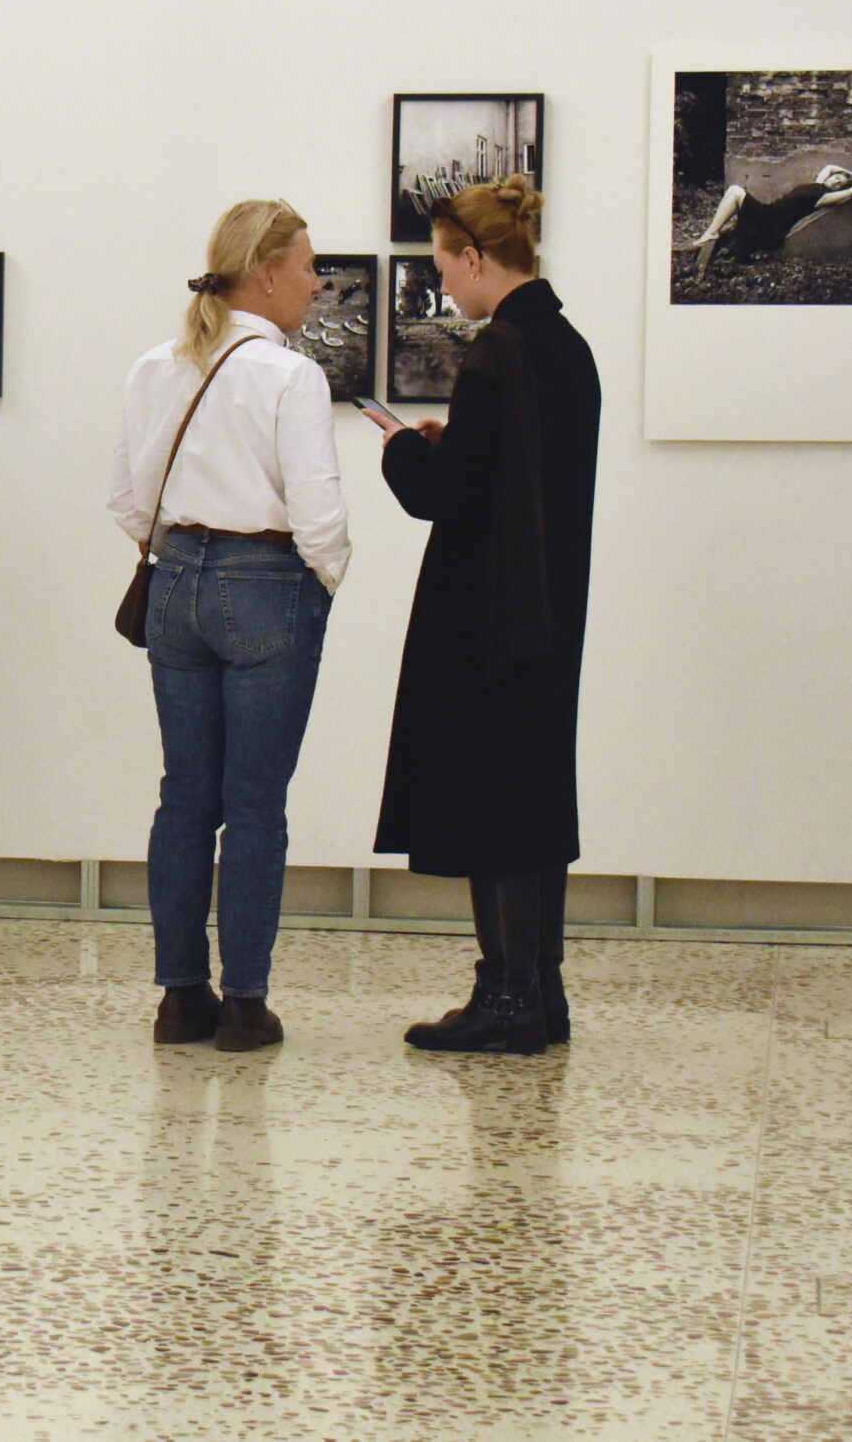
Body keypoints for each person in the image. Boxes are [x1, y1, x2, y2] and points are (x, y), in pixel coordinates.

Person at [104, 200, 349, 1053]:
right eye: (308, 266)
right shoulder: (291, 377)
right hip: (266, 583)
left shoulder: (155, 367)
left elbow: (127, 500)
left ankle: (180, 998)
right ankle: (244, 1004)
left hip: (174, 581)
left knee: (184, 795)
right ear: (267, 273)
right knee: (253, 803)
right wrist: (322, 581)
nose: (317, 284)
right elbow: (320, 518)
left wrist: (182, 552)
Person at [376, 177, 600, 1056]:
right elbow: (519, 474)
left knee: (495, 797)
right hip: (553, 607)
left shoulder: (496, 352)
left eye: (443, 266)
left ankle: (506, 996)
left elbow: (447, 496)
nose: (442, 284)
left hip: (491, 613)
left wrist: (403, 450)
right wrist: (457, 446)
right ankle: (542, 988)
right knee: (535, 792)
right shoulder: (568, 347)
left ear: (474, 257)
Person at [689, 163, 852, 275]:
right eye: (837, 178)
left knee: (734, 191)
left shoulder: (824, 197)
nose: (836, 182)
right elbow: (829, 167)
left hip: (771, 224)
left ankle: (711, 233)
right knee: (735, 192)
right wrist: (851, 173)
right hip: (770, 213)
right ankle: (712, 232)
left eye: (840, 184)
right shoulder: (818, 184)